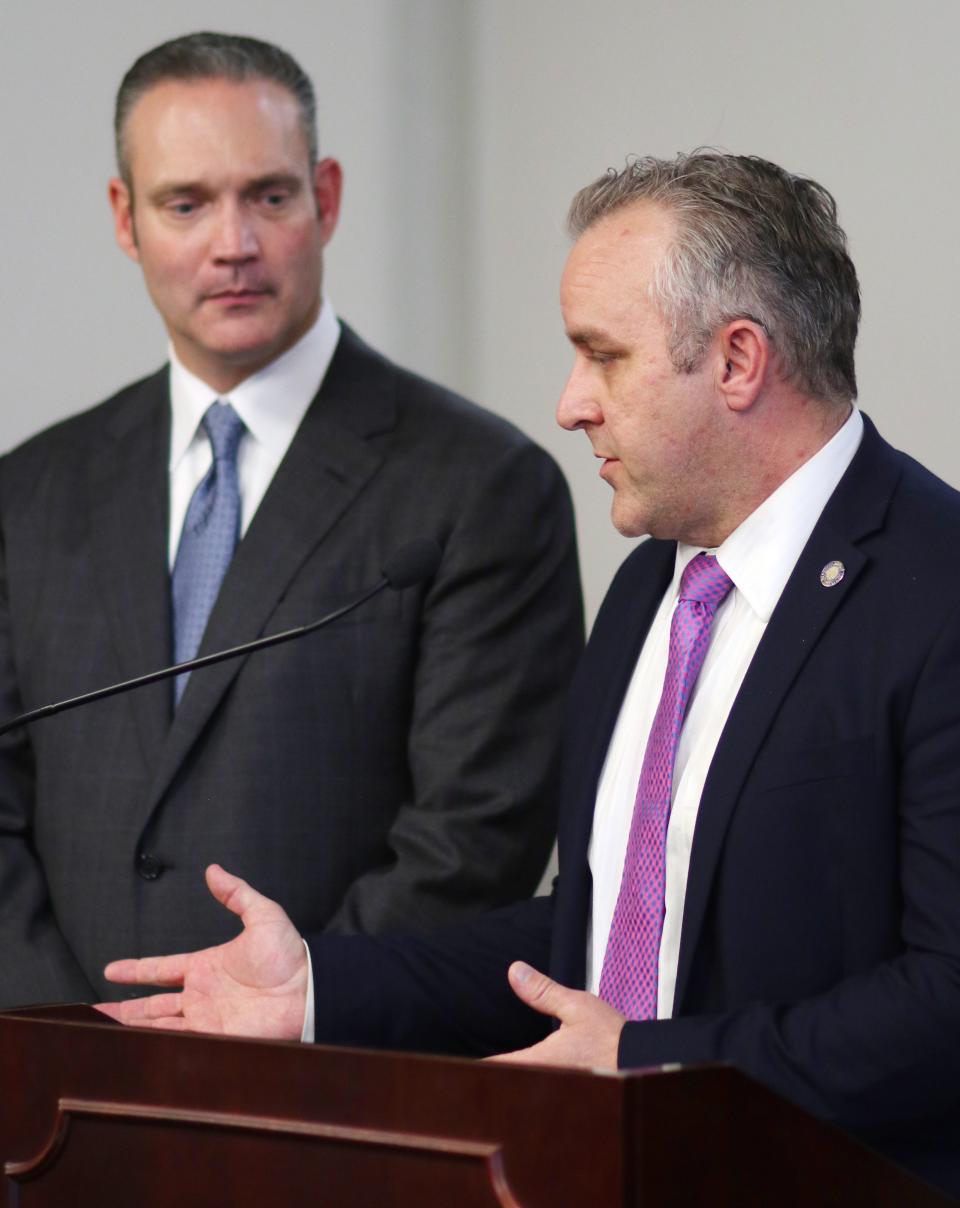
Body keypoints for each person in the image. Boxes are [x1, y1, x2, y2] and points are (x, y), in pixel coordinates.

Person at [99, 151, 960, 1196]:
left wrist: (649, 1061)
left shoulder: (935, 588)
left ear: (739, 361)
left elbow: (945, 996)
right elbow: (585, 940)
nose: (569, 404)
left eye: (603, 356)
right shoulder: (650, 586)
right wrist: (321, 984)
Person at [0, 32, 584, 1011]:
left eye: (268, 196)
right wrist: (70, 1033)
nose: (234, 243)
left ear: (328, 197)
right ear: (124, 217)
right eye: (186, 203)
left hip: (335, 1102)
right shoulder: (31, 491)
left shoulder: (482, 485)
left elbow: (474, 838)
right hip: (58, 1098)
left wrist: (278, 1010)